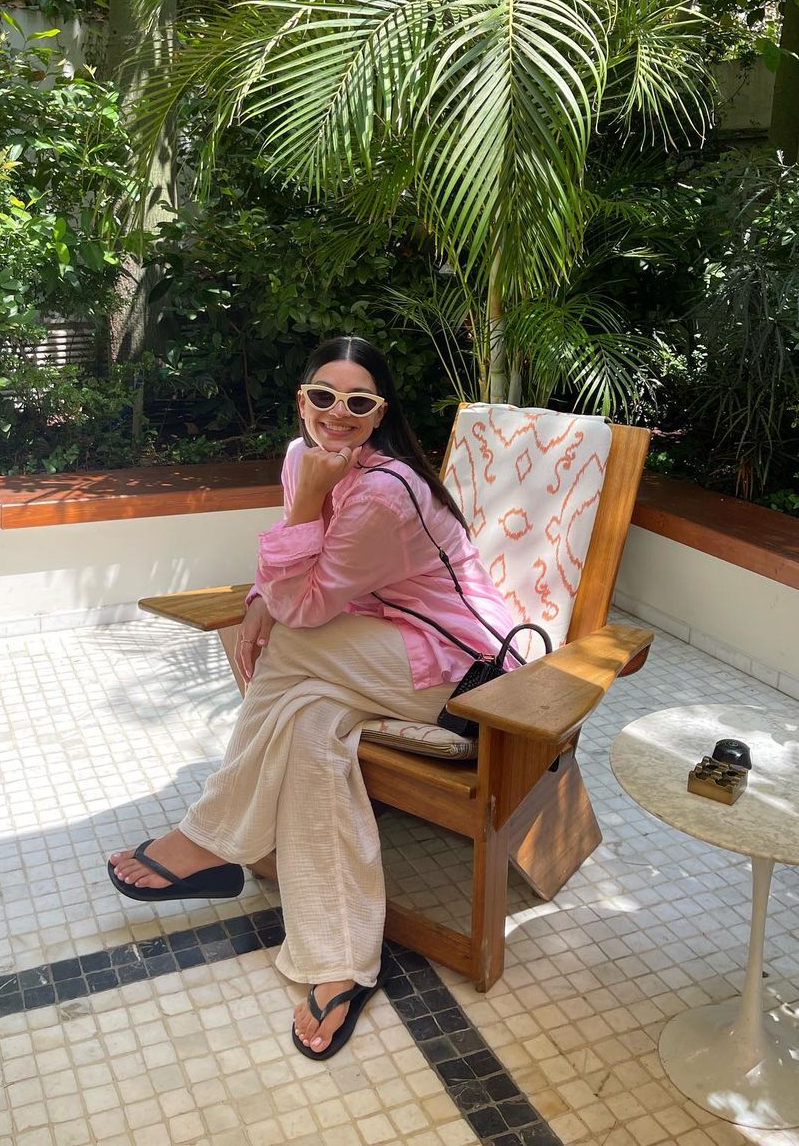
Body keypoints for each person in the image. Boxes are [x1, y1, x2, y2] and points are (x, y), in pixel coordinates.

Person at [107, 336, 517, 1058]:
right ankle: (341, 961)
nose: (338, 412)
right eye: (324, 396)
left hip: (465, 674)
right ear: (302, 400)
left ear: (379, 413)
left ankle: (209, 840)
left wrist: (290, 546)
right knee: (308, 726)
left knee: (288, 646)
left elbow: (305, 607)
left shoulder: (385, 492)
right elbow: (304, 580)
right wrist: (259, 597)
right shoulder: (304, 457)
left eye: (359, 402)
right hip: (379, 648)